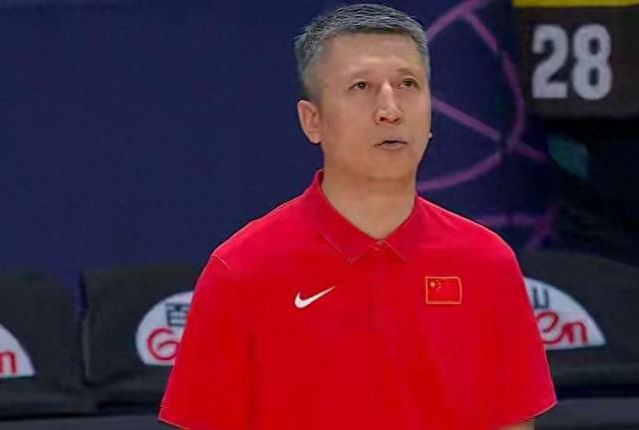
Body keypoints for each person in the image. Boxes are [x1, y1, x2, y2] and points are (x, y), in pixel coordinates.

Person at [159, 4, 556, 429]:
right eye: (361, 86)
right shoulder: (241, 271)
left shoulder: (487, 263)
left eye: (407, 84)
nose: (390, 109)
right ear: (312, 120)